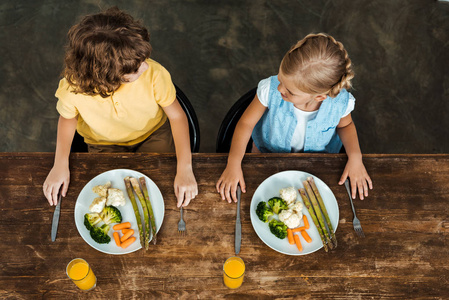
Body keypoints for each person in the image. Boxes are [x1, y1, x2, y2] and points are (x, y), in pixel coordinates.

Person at [43, 7, 197, 208]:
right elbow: (67, 118)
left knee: (159, 189)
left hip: (154, 135)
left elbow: (177, 117)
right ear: (107, 78)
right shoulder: (72, 88)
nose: (145, 67)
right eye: (136, 68)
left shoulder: (155, 74)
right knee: (113, 197)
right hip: (102, 144)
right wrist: (59, 164)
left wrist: (185, 167)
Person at [216, 33, 373, 203]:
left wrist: (356, 159)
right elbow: (246, 124)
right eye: (280, 78)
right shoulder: (270, 89)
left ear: (319, 97)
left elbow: (346, 126)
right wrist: (233, 164)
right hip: (266, 157)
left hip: (316, 166)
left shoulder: (340, 103)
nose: (280, 89)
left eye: (290, 91)